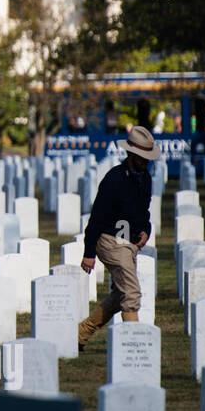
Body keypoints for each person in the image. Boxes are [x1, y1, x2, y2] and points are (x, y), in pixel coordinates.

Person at [77, 125, 160, 352]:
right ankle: (134, 345)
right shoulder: (113, 180)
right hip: (108, 240)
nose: (145, 161)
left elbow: (144, 211)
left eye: (148, 157)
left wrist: (145, 230)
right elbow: (96, 217)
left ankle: (80, 333)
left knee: (119, 295)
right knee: (132, 293)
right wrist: (88, 254)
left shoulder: (145, 178)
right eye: (141, 156)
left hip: (128, 243)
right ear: (130, 154)